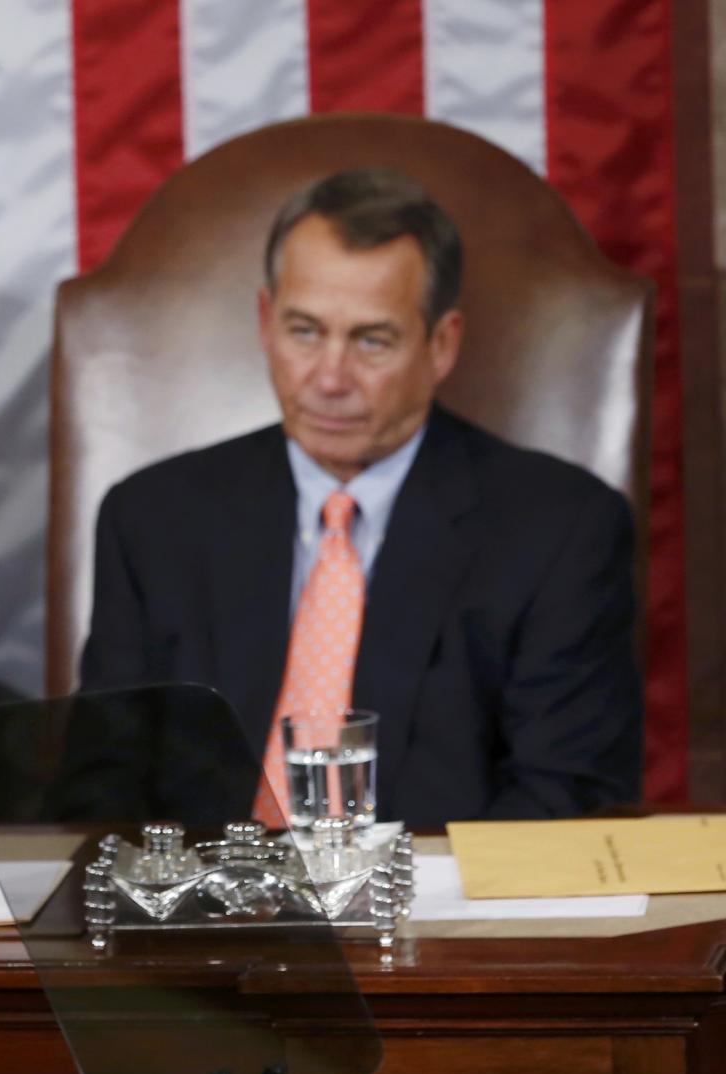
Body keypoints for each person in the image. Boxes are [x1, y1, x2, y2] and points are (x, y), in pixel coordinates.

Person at [78, 168, 641, 827]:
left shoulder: (561, 529)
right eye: (305, 331)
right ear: (265, 322)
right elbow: (100, 789)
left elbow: (565, 800)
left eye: (371, 340)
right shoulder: (153, 517)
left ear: (441, 344)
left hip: (435, 917)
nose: (329, 378)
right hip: (202, 920)